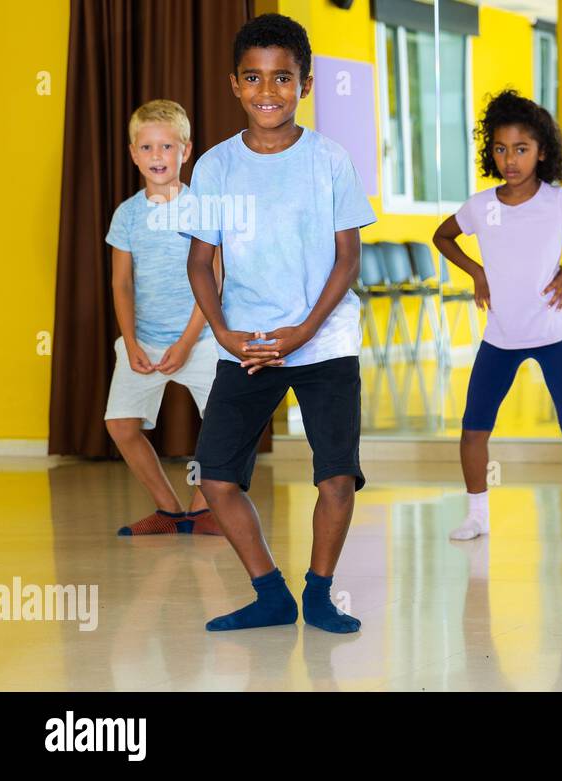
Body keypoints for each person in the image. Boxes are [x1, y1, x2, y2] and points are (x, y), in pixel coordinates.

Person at [183, 13, 379, 632]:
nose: (268, 91)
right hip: (246, 342)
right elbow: (199, 262)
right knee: (215, 477)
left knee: (337, 477)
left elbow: (348, 259)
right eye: (254, 77)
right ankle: (270, 592)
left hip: (325, 340)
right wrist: (223, 332)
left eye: (283, 78)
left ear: (306, 84)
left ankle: (318, 591)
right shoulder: (215, 167)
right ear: (235, 85)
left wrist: (302, 332)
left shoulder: (329, 160)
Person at [433, 89, 562, 543]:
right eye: (501, 149)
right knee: (473, 428)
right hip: (500, 334)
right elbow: (443, 237)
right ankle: (476, 515)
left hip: (552, 331)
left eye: (521, 149)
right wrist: (476, 272)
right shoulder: (481, 206)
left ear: (542, 152)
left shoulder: (557, 202)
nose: (511, 159)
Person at [106, 99, 221, 536]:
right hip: (145, 341)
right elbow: (122, 284)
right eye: (148, 148)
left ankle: (203, 507)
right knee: (120, 424)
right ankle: (170, 512)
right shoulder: (127, 215)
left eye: (167, 147)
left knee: (223, 425)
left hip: (202, 337)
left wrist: (189, 340)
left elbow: (214, 279)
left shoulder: (203, 210)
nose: (158, 157)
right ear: (133, 153)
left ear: (185, 151)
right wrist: (131, 342)